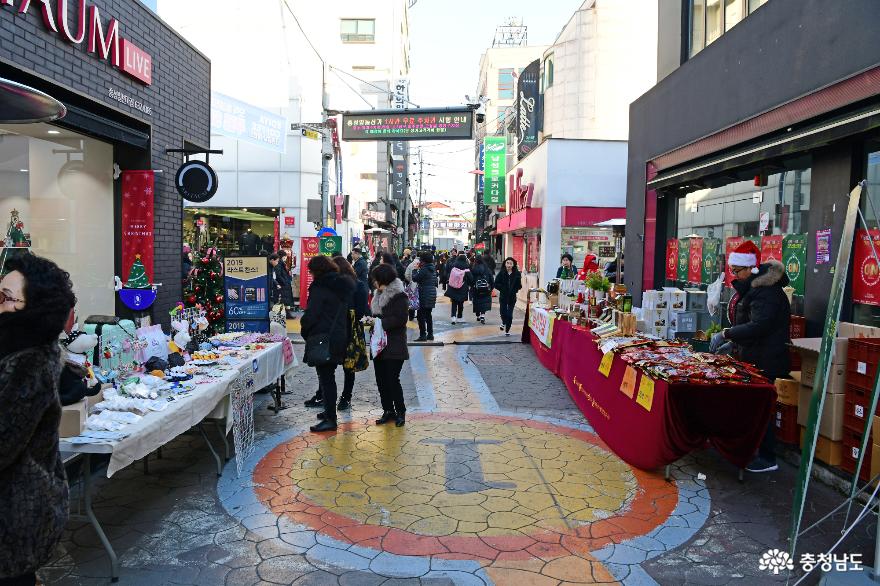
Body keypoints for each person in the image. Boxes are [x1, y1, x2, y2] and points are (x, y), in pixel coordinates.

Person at [0, 253, 77, 586]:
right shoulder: (13, 351)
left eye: (5, 297)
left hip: (12, 521)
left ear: (30, 310)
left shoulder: (27, 364)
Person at [710, 240, 790, 473]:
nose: (734, 275)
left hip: (766, 360)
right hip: (753, 355)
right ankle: (749, 448)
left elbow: (759, 326)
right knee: (753, 407)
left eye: (737, 270)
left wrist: (727, 334)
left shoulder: (766, 293)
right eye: (732, 270)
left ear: (751, 268)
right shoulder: (755, 288)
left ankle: (767, 458)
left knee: (762, 408)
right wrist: (734, 342)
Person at [300, 255, 354, 432]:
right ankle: (329, 411)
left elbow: (311, 315)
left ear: (317, 271)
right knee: (328, 376)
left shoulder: (320, 288)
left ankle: (330, 418)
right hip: (338, 336)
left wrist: (305, 330)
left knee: (326, 378)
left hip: (323, 337)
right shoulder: (342, 286)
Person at [318, 257, 369, 412]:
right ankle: (343, 398)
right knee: (346, 366)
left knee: (333, 367)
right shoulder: (358, 285)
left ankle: (333, 399)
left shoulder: (353, 285)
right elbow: (363, 310)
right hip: (347, 331)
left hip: (343, 331)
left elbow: (361, 310)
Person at [369, 264, 409, 427]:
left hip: (394, 345)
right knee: (381, 380)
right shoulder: (378, 294)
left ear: (382, 279)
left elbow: (400, 319)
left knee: (392, 379)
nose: (373, 282)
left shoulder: (399, 296)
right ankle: (388, 410)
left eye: (375, 279)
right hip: (379, 345)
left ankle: (400, 412)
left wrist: (379, 322)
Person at [412, 252, 438, 341]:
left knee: (420, 315)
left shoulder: (424, 269)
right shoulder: (432, 268)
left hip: (424, 293)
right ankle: (430, 334)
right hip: (432, 293)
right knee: (428, 315)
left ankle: (423, 335)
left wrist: (415, 269)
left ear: (423, 261)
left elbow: (415, 278)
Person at [494, 257, 522, 336]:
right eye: (507, 263)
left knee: (509, 315)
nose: (509, 265)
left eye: (510, 263)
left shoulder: (517, 274)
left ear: (513, 265)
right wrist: (502, 288)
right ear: (505, 264)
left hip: (512, 297)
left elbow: (519, 285)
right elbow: (496, 284)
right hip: (503, 296)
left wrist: (515, 289)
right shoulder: (501, 273)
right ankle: (503, 322)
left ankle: (507, 329)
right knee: (503, 313)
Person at [444, 253, 472, 324]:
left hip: (453, 287)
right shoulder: (466, 268)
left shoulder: (454, 266)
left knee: (454, 302)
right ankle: (459, 317)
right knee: (460, 303)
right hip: (462, 288)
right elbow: (471, 278)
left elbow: (448, 275)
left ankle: (453, 317)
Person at [470, 255, 494, 324]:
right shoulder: (487, 268)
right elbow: (491, 278)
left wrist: (472, 286)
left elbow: (471, 279)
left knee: (477, 302)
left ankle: (478, 315)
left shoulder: (473, 268)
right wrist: (491, 287)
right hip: (486, 289)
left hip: (476, 289)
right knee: (484, 302)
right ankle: (482, 316)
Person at [271, 252, 294, 317]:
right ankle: (283, 314)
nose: (286, 258)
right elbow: (278, 275)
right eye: (285, 256)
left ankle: (287, 314)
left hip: (284, 284)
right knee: (282, 300)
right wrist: (285, 282)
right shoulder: (279, 264)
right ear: (282, 257)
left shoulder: (282, 263)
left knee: (286, 300)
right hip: (282, 285)